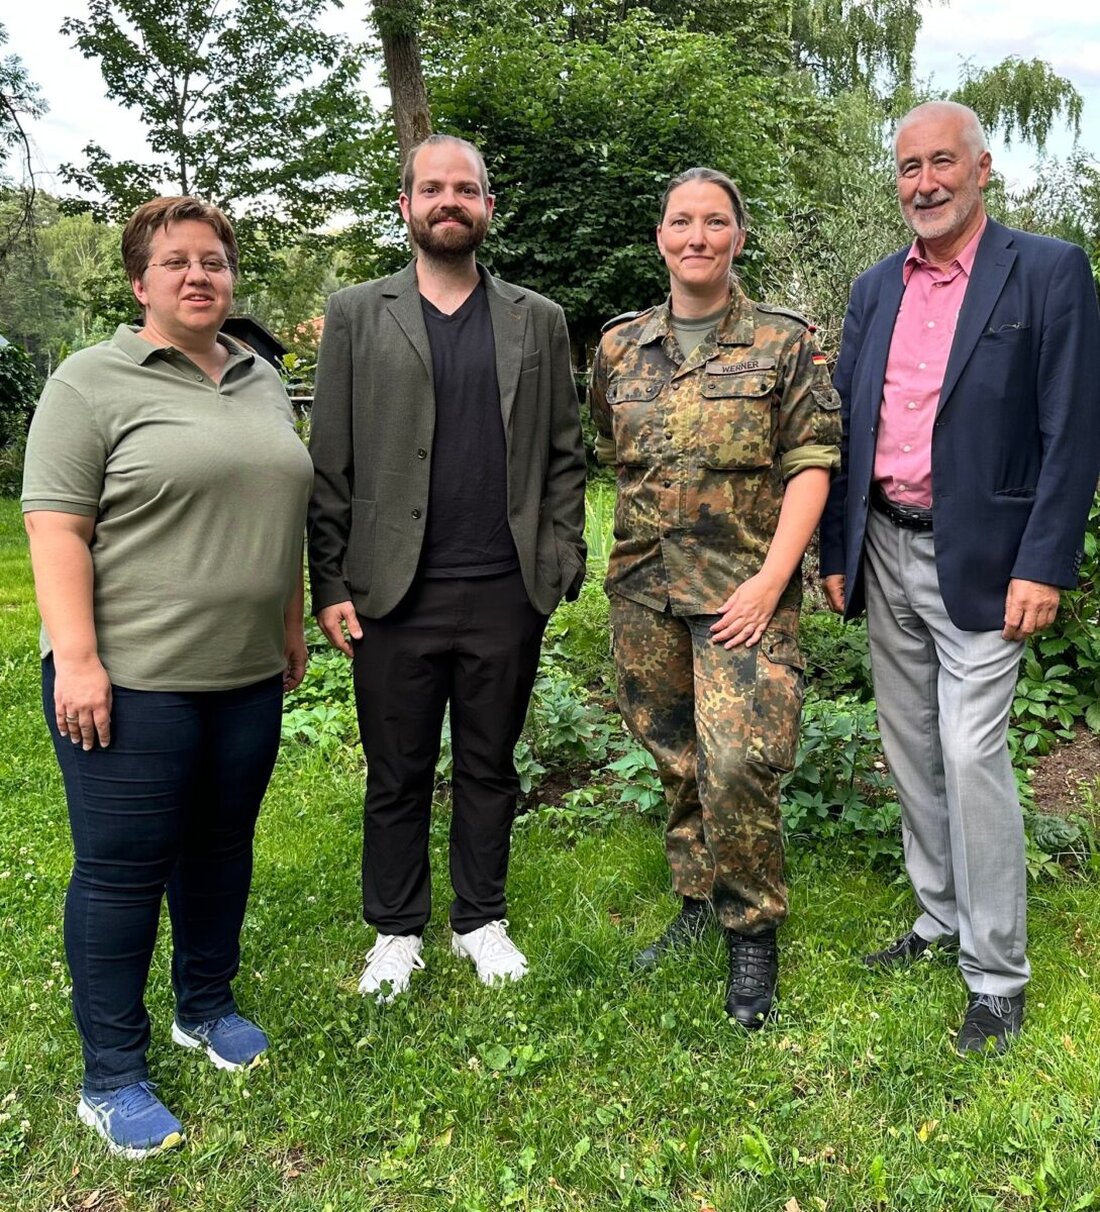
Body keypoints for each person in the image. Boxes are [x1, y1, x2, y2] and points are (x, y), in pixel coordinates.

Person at [21, 197, 313, 1157]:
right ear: (140, 281)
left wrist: (287, 622)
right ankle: (111, 1075)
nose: (201, 277)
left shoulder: (260, 378)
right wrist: (79, 659)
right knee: (121, 874)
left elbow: (275, 509)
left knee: (222, 850)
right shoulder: (89, 383)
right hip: (133, 680)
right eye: (177, 262)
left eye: (216, 262)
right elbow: (56, 526)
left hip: (243, 678)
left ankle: (205, 1004)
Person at [819, 101, 1100, 1054]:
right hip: (885, 546)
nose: (925, 184)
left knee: (971, 754)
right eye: (908, 168)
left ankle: (997, 973)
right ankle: (938, 917)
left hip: (985, 557)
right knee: (910, 750)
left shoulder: (1050, 272)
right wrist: (834, 552)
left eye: (943, 164)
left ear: (984, 170)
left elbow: (1074, 432)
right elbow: (849, 422)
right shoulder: (873, 288)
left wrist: (1045, 563)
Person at [308, 134, 587, 1001]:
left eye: (465, 189)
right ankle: (395, 929)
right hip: (392, 589)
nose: (449, 201)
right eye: (432, 188)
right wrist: (329, 582)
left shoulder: (535, 318)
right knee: (396, 771)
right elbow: (331, 461)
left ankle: (480, 918)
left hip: (505, 588)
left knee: (489, 763)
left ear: (487, 208)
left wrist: (561, 557)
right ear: (406, 207)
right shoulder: (358, 313)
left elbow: (565, 454)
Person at [589, 167, 840, 1027]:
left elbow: (812, 463)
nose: (696, 236)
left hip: (744, 589)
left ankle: (753, 929)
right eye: (680, 222)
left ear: (738, 235)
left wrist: (774, 581)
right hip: (643, 588)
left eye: (715, 222)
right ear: (660, 236)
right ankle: (697, 903)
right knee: (674, 755)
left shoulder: (783, 342)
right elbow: (611, 453)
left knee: (739, 762)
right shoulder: (620, 347)